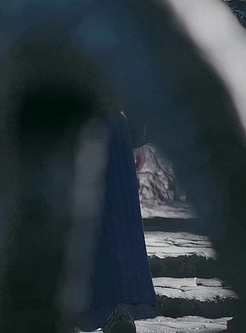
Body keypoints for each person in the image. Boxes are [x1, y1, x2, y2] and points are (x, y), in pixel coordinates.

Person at [78, 112, 159, 332]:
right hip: (53, 121)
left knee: (115, 215)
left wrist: (136, 137)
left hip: (105, 121)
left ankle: (116, 308)